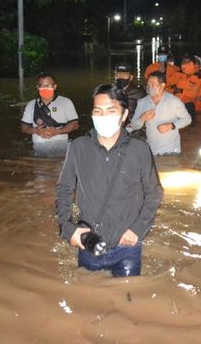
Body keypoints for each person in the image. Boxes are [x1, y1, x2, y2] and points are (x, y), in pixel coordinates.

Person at [55, 84, 163, 277]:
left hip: (128, 245)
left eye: (111, 111)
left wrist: (137, 230)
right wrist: (69, 229)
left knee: (129, 300)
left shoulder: (139, 150)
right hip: (89, 242)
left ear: (124, 115)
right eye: (98, 111)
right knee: (89, 299)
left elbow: (153, 192)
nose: (103, 117)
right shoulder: (78, 147)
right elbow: (64, 189)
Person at [131, 71, 192, 155]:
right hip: (151, 150)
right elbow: (134, 126)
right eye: (148, 84)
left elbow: (187, 119)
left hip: (171, 150)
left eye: (153, 84)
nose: (149, 87)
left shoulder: (173, 101)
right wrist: (142, 118)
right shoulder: (142, 102)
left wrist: (172, 126)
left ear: (162, 86)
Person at [20, 73, 79, 157]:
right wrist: (36, 130)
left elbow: (74, 124)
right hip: (39, 149)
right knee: (39, 169)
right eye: (42, 86)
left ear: (55, 87)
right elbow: (23, 127)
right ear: (38, 87)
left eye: (49, 85)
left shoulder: (66, 102)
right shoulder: (31, 104)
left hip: (61, 148)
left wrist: (58, 131)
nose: (45, 88)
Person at [176, 54, 201, 119]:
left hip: (199, 107)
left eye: (196, 63)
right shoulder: (184, 75)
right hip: (184, 106)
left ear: (200, 65)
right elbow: (176, 89)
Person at [113, 62, 146, 130]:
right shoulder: (110, 92)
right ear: (115, 76)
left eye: (124, 75)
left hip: (132, 128)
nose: (121, 77)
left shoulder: (140, 93)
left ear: (131, 77)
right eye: (118, 75)